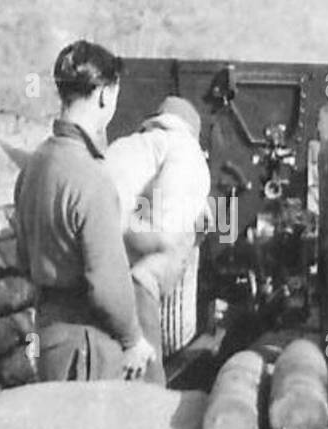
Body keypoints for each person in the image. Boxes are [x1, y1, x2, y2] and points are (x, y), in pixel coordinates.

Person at [12, 40, 156, 382]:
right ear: (105, 94)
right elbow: (108, 284)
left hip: (47, 336)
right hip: (87, 347)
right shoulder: (91, 178)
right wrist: (133, 339)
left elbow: (21, 258)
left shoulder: (33, 166)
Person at [105, 96, 211, 384]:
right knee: (148, 394)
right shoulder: (186, 149)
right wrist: (189, 240)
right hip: (131, 273)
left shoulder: (124, 145)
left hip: (96, 260)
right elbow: (166, 229)